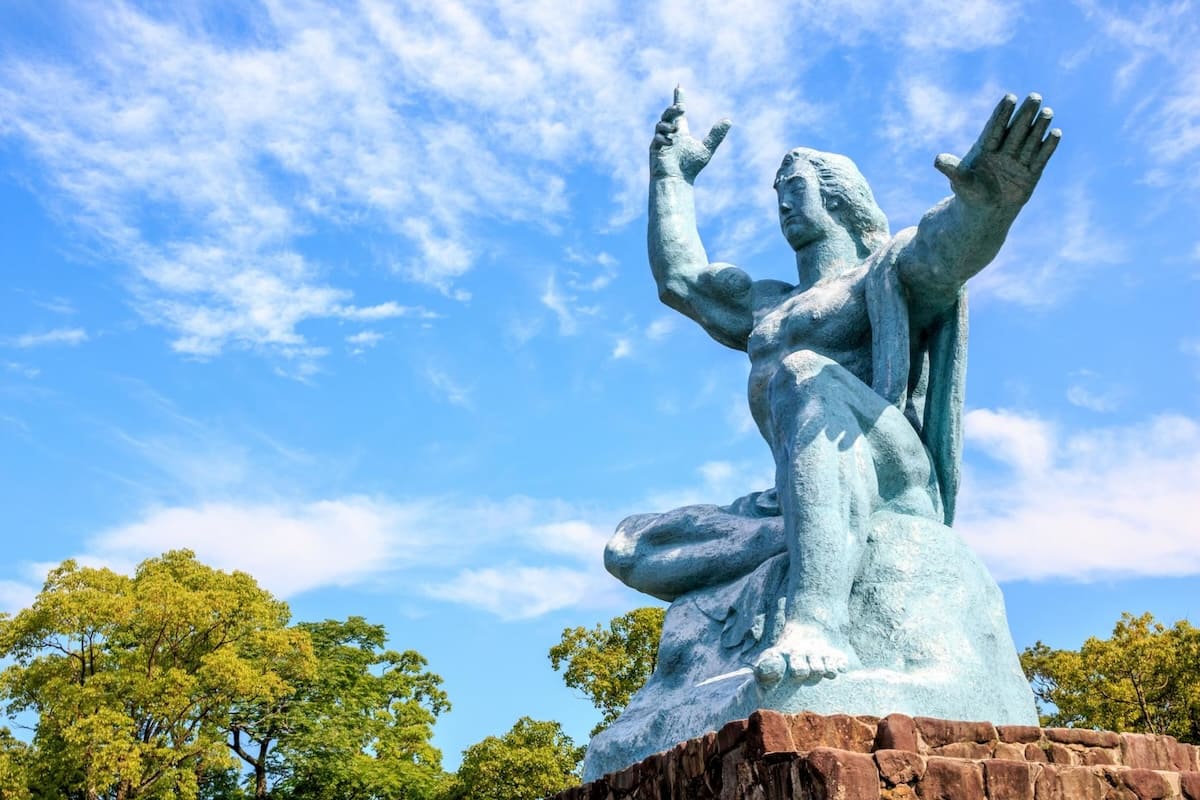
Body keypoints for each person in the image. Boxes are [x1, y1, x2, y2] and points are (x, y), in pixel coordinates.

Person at [641, 87, 1060, 687]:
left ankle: (817, 619)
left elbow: (947, 250)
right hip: (796, 487)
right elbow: (682, 281)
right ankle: (804, 528)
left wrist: (990, 207)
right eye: (777, 192)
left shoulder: (885, 269)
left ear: (837, 196)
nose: (783, 200)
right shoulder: (768, 303)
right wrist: (670, 179)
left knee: (805, 374)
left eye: (796, 186)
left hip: (886, 464)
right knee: (634, 547)